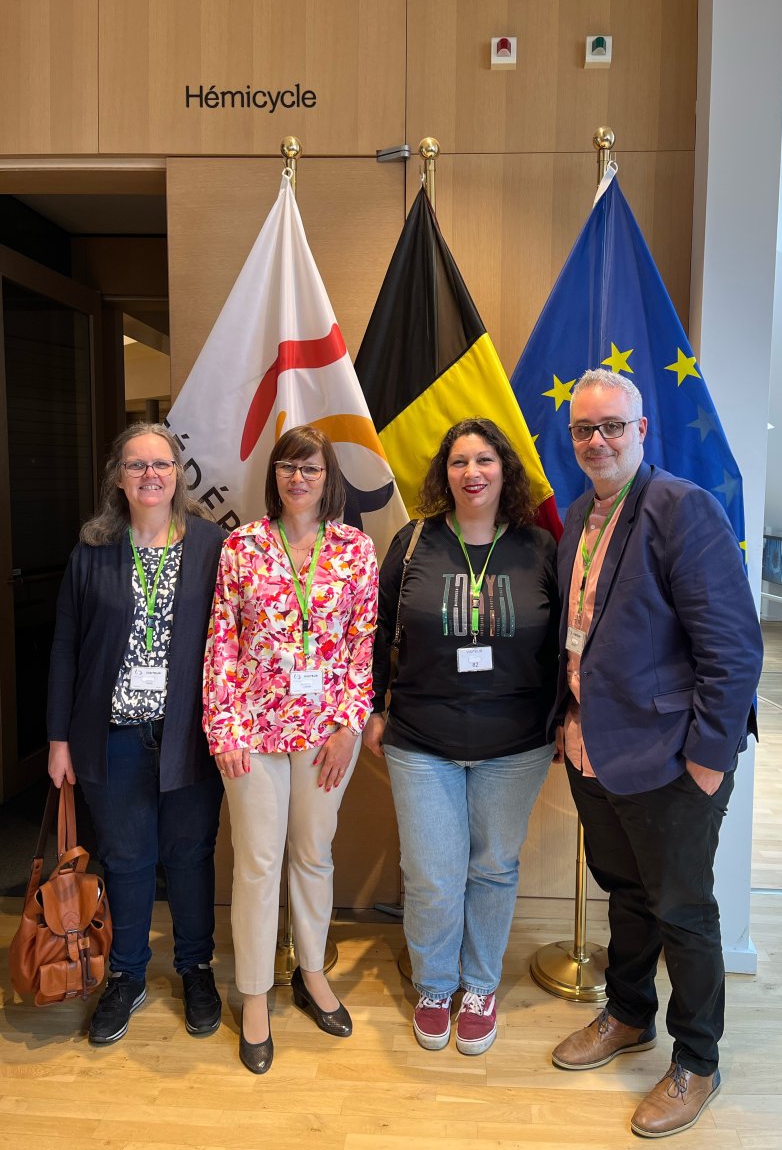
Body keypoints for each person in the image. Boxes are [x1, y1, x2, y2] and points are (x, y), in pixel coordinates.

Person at [548, 369, 764, 1138]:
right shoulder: (579, 515)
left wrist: (708, 760)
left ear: (643, 430)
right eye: (583, 429)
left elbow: (733, 648)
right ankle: (630, 1014)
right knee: (628, 896)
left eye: (612, 426)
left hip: (672, 760)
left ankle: (697, 1061)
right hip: (595, 753)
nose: (597, 440)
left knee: (682, 909)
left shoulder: (682, 508)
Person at [363, 418, 558, 1056]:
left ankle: (478, 986)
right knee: (430, 875)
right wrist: (371, 707)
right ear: (443, 474)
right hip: (421, 739)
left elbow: (566, 640)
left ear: (505, 469)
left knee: (495, 867)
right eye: (458, 462)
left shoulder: (538, 546)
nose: (472, 472)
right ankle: (434, 984)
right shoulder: (414, 541)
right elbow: (379, 625)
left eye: (484, 460)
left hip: (516, 742)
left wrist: (568, 715)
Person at [204, 425, 378, 1074]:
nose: (298, 478)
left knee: (312, 854)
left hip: (327, 736)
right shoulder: (242, 547)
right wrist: (223, 727)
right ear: (274, 477)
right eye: (287, 467)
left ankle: (311, 972)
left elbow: (363, 648)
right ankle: (255, 994)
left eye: (310, 468)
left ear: (328, 477)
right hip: (251, 733)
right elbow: (222, 642)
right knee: (256, 862)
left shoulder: (356, 552)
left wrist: (349, 725)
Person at [47, 423, 225, 1046]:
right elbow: (67, 646)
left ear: (178, 473)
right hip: (111, 735)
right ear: (117, 478)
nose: (151, 474)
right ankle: (126, 974)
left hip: (190, 735)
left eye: (162, 463)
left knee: (189, 855)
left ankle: (195, 968)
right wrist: (58, 738)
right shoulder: (93, 549)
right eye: (136, 465)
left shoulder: (213, 546)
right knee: (126, 860)